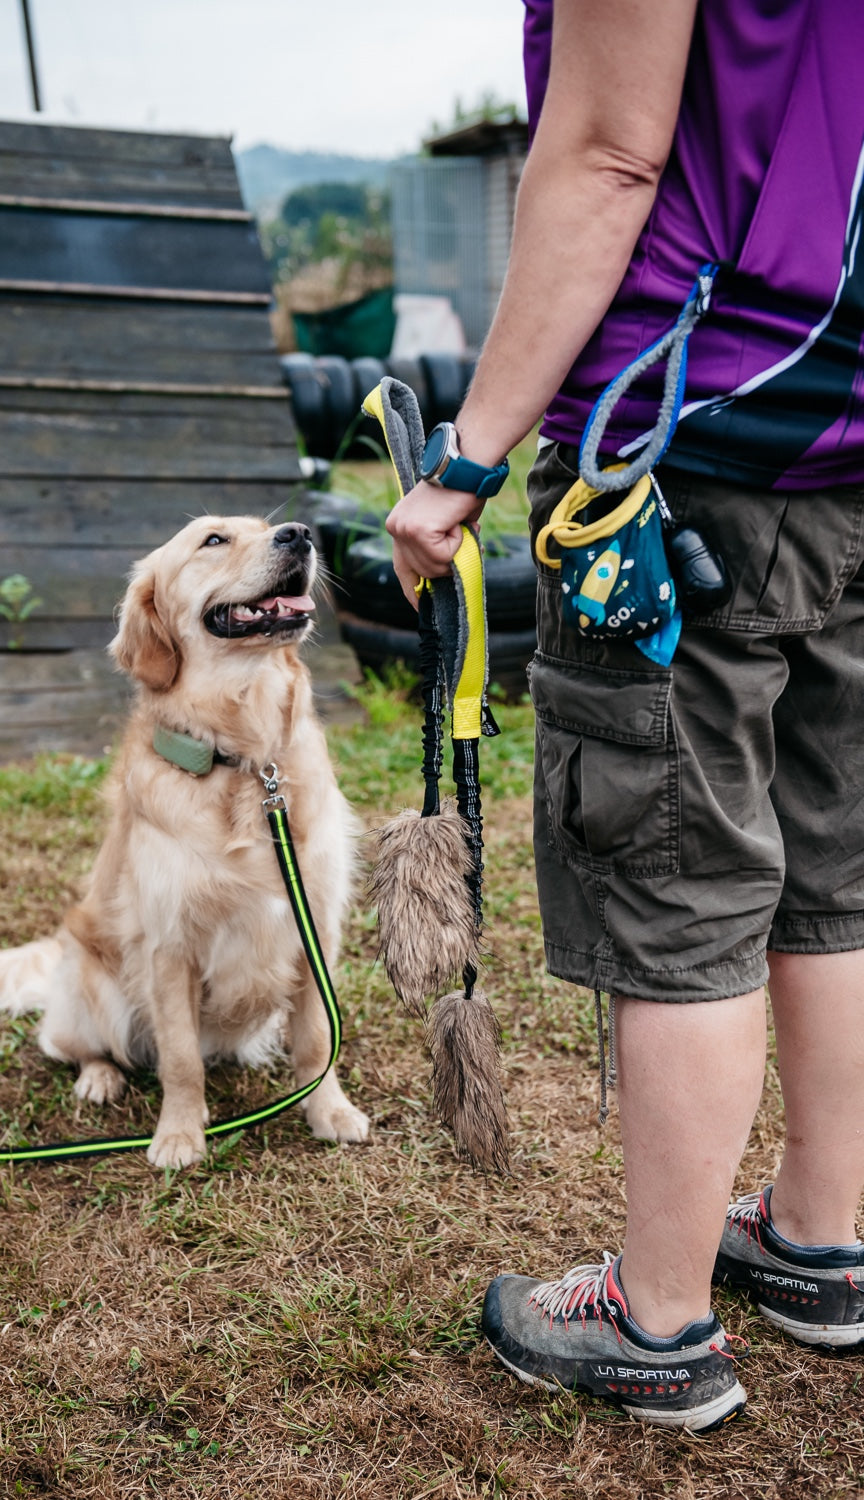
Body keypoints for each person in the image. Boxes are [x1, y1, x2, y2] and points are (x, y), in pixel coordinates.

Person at [386, 0, 864, 1433]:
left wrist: (466, 457)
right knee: (834, 861)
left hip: (673, 444)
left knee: (678, 873)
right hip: (852, 446)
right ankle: (823, 1240)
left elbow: (604, 157)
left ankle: (656, 1319)